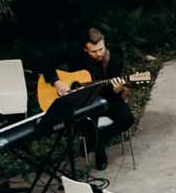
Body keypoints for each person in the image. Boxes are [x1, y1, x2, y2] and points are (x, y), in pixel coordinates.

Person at [55, 26, 135, 168]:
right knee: (88, 121)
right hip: (84, 101)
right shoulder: (74, 52)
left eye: (101, 49)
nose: (99, 54)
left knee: (127, 118)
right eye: (94, 51)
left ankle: (100, 139)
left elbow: (115, 89)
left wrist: (118, 89)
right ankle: (99, 151)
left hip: (108, 96)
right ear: (85, 49)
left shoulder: (114, 59)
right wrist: (57, 82)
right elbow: (45, 62)